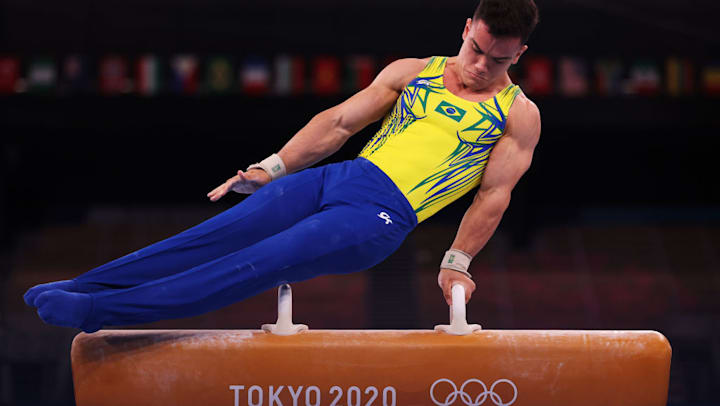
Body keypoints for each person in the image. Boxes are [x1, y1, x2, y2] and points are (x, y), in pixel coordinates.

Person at [24, 0, 541, 333]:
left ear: (518, 53)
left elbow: (492, 195)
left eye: (497, 60)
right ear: (467, 27)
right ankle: (84, 287)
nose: (479, 65)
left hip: (380, 217)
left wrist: (457, 264)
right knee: (216, 236)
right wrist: (273, 167)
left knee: (264, 259)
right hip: (336, 178)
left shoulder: (517, 114)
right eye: (476, 49)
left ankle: (98, 314)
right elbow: (338, 123)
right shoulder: (414, 72)